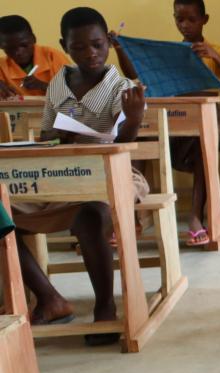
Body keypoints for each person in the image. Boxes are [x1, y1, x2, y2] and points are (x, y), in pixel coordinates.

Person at [14, 7, 149, 347]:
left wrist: (133, 120)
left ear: (107, 43)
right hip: (61, 173)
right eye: (79, 47)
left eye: (98, 45)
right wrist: (60, 138)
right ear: (64, 46)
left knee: (91, 214)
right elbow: (47, 134)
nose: (90, 53)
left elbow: (125, 146)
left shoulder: (122, 86)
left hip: (113, 172)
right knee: (3, 215)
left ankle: (105, 306)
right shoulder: (59, 81)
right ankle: (50, 298)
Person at [166, 0, 220, 246]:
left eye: (191, 19)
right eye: (179, 19)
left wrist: (212, 54)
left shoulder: (215, 50)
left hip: (211, 116)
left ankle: (196, 216)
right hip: (182, 116)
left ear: (204, 20)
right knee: (148, 136)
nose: (184, 25)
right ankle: (134, 216)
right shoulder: (173, 53)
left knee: (204, 141)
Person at [0, 15, 69, 99]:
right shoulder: (2, 65)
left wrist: (43, 86)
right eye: (10, 48)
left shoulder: (52, 56)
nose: (18, 52)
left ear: (33, 38)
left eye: (24, 45)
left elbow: (73, 93)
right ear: (1, 46)